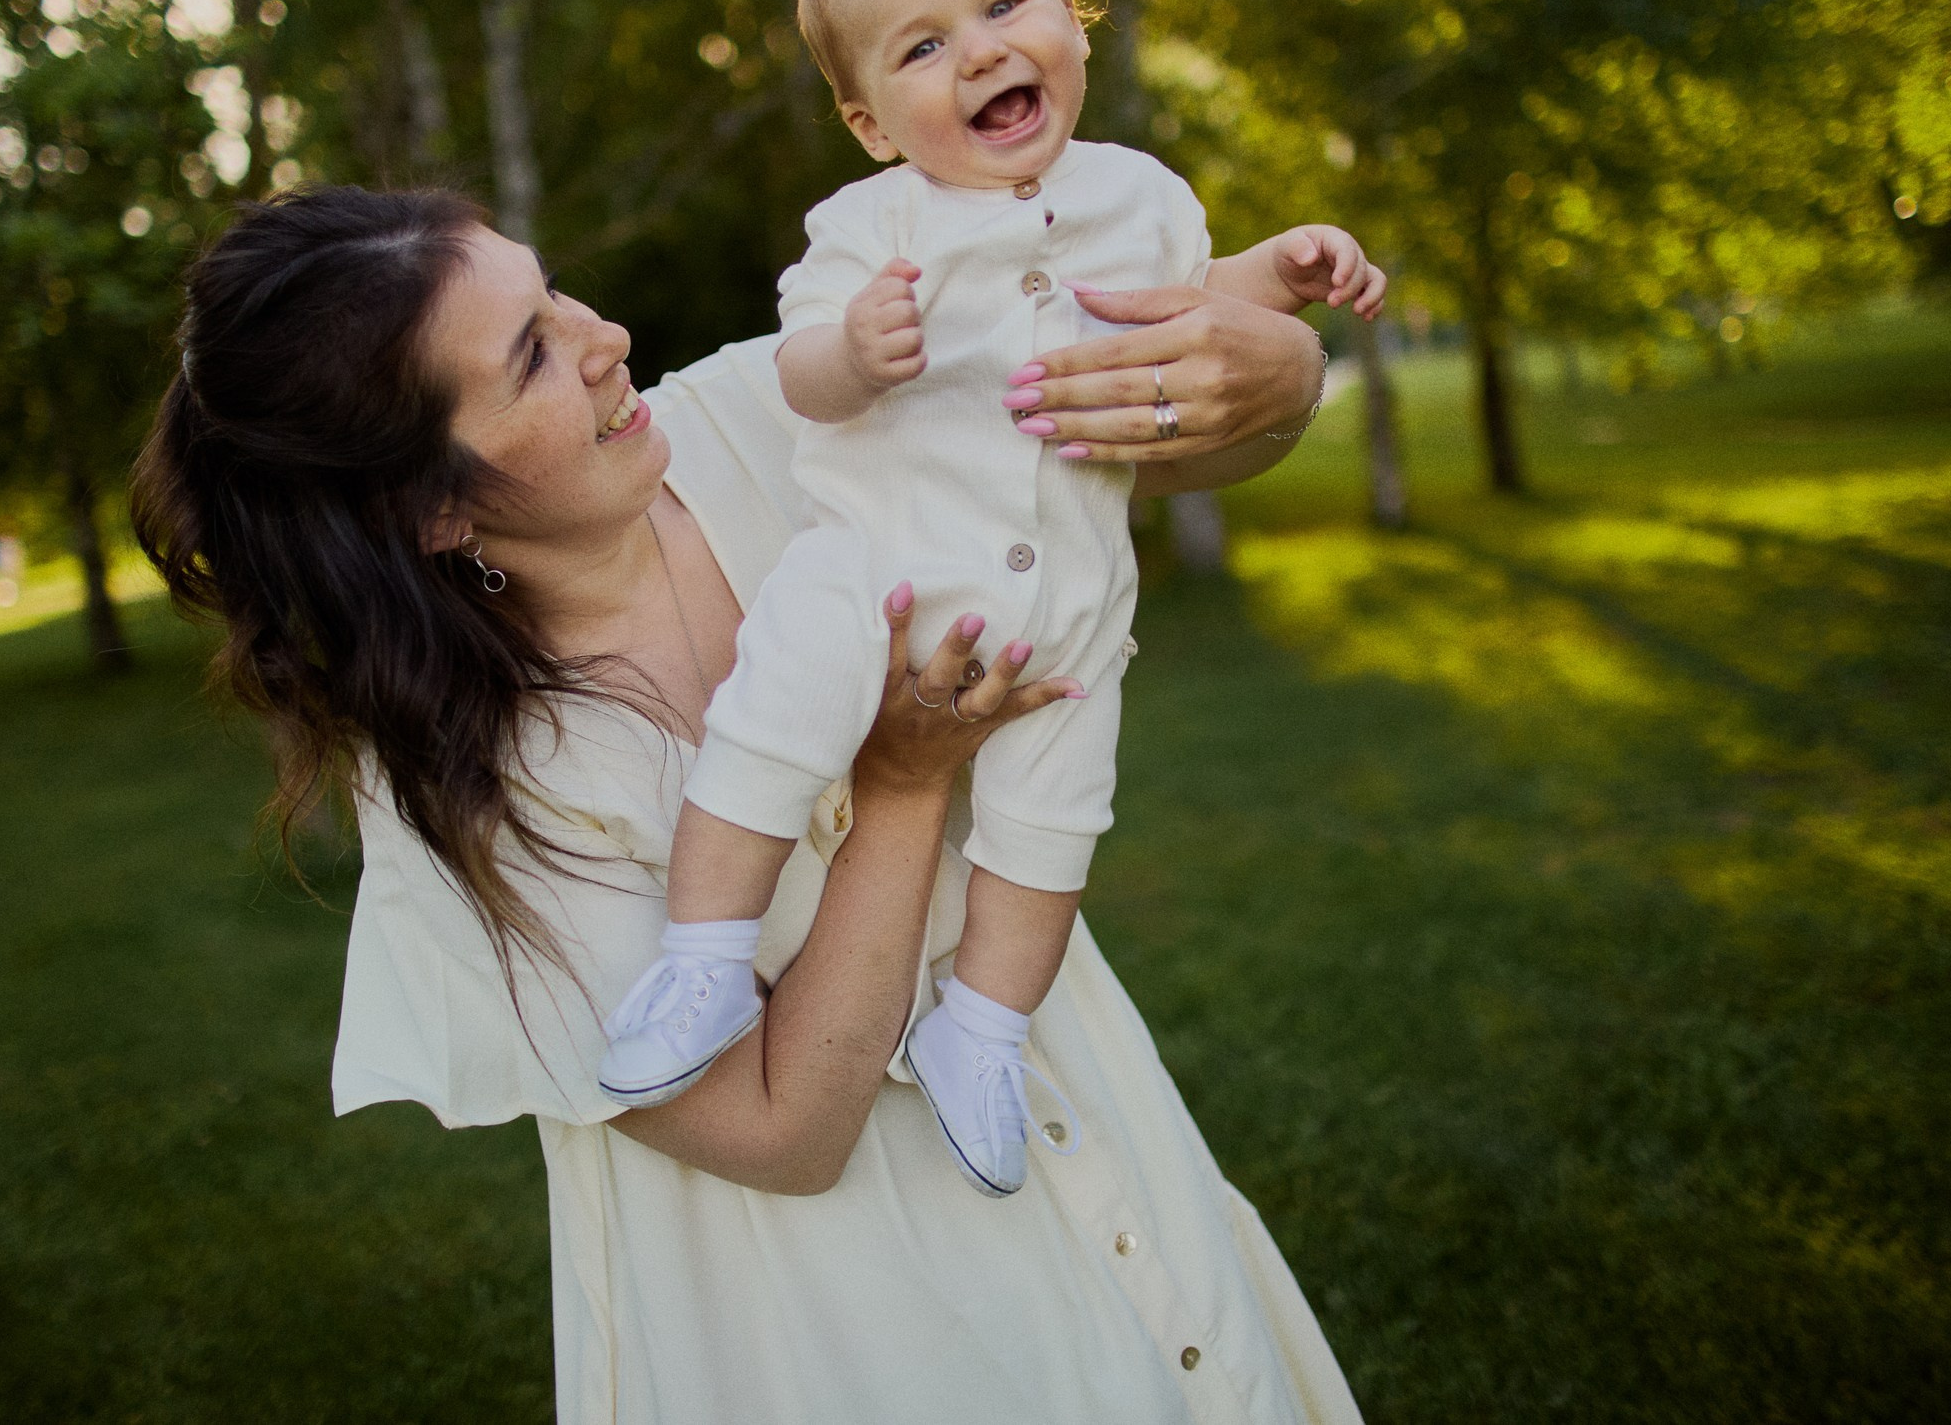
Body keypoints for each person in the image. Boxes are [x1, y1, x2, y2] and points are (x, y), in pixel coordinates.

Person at [131, 186, 1366, 1423]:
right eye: (533, 355)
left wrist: (1278, 375)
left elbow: (1125, 440)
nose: (602, 336)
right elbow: (785, 1132)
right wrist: (900, 783)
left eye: (551, 291)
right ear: (436, 509)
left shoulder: (779, 417)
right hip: (840, 1321)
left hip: (1092, 1139)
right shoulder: (470, 792)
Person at [595, 0, 1387, 1200]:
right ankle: (705, 956)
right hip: (876, 577)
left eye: (1005, 2)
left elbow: (1182, 306)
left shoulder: (1138, 194)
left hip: (1069, 597)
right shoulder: (871, 227)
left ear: (1071, 17)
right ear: (868, 120)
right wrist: (855, 351)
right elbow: (800, 373)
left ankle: (982, 1033)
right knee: (766, 735)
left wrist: (1281, 272)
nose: (977, 50)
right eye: (920, 46)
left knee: (1052, 823)